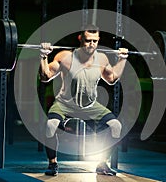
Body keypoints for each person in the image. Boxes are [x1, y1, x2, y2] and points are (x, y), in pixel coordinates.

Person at [39, 24, 128, 176]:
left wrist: (122, 59)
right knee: (50, 125)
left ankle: (102, 164)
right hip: (64, 104)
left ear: (98, 40)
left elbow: (112, 79)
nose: (91, 44)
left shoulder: (102, 58)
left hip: (90, 106)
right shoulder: (65, 57)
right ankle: (52, 163)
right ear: (80, 38)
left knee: (116, 126)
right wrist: (43, 56)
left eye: (95, 41)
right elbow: (45, 76)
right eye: (88, 40)